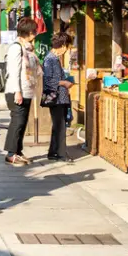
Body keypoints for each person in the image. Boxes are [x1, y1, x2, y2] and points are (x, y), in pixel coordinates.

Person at [0, 18, 38, 166]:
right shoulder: (16, 48)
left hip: (26, 90)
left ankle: (17, 151)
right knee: (17, 122)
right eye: (34, 31)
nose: (35, 34)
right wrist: (17, 91)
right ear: (28, 32)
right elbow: (14, 71)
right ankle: (11, 154)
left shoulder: (27, 48)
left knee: (22, 122)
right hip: (16, 90)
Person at [41, 32, 76, 162]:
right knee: (60, 126)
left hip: (59, 97)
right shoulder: (50, 59)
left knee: (58, 126)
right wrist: (64, 83)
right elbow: (48, 80)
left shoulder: (54, 58)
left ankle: (53, 152)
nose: (66, 50)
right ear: (62, 45)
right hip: (56, 97)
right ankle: (61, 154)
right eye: (67, 46)